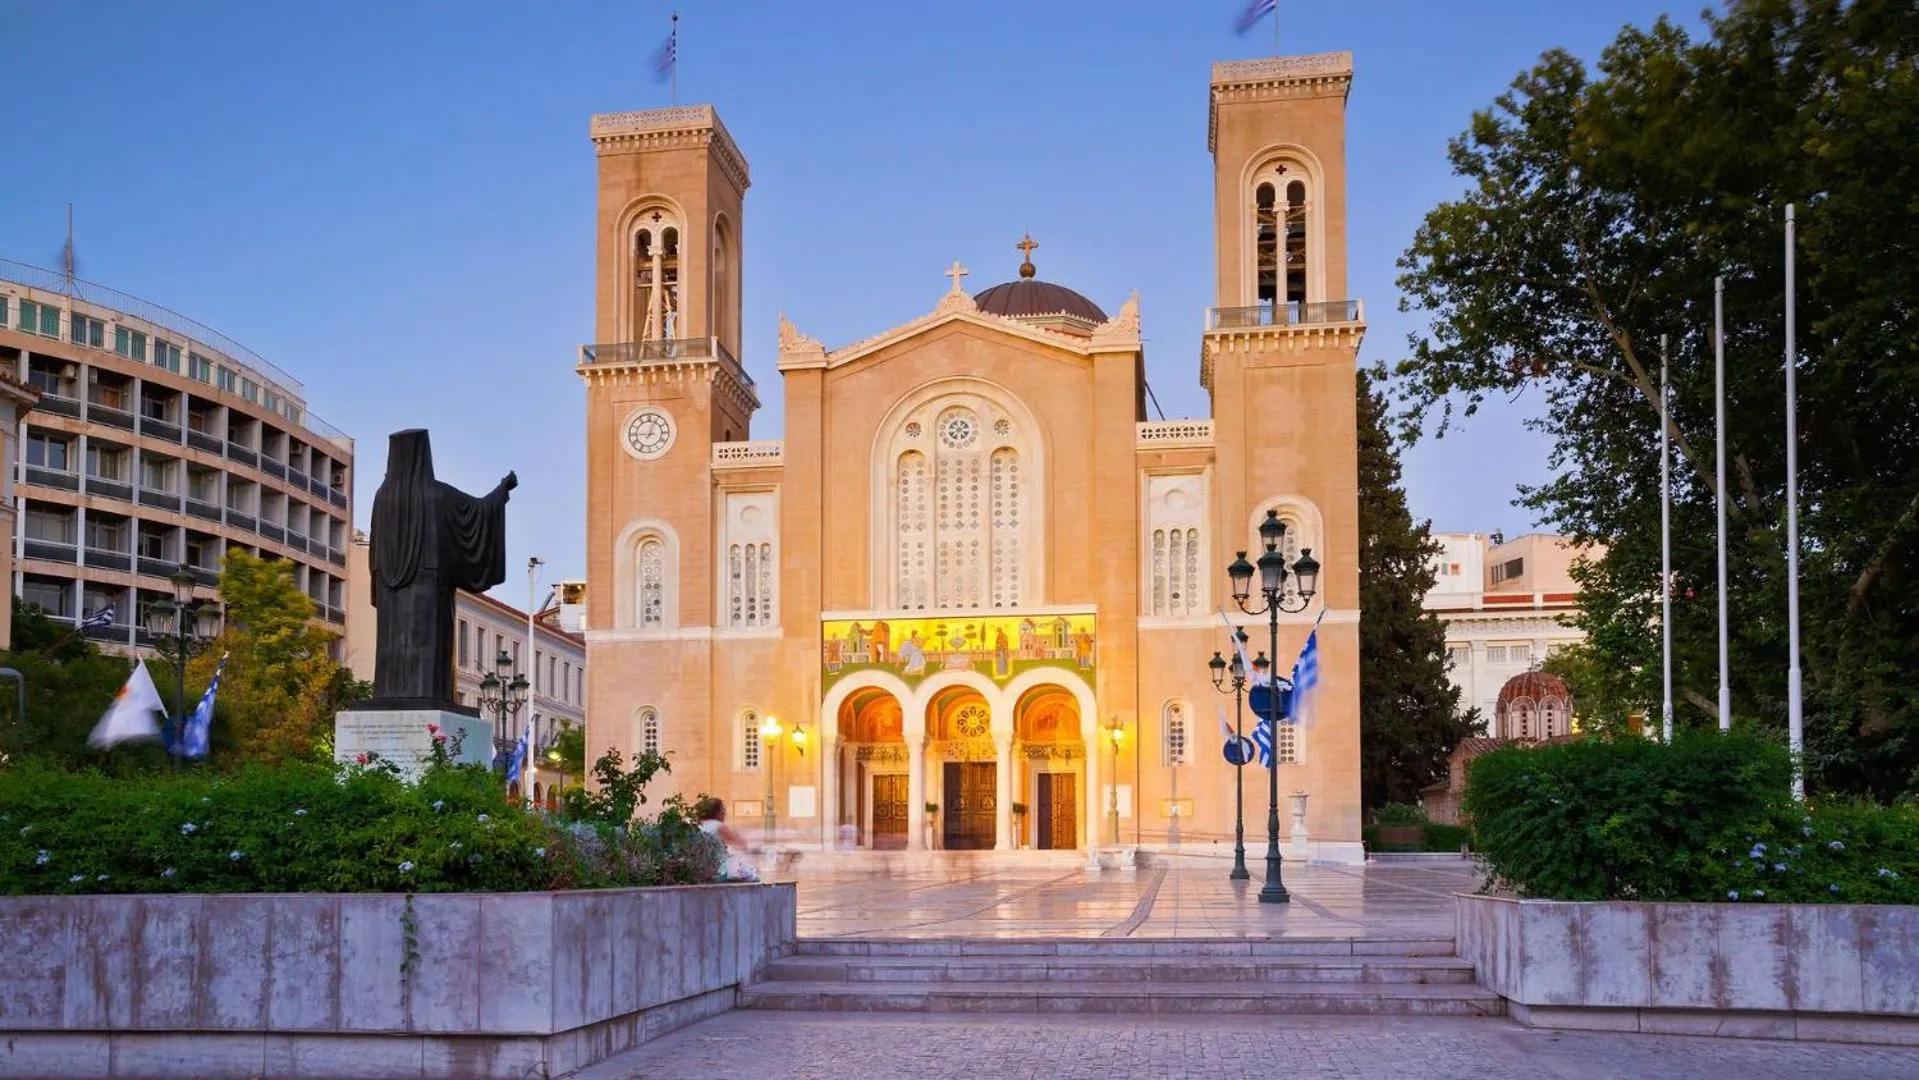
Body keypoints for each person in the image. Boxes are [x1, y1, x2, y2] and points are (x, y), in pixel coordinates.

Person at [695, 797, 761, 882]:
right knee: (751, 873)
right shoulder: (717, 825)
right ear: (718, 812)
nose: (725, 813)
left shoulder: (698, 825)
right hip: (718, 869)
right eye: (723, 809)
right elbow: (741, 845)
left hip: (702, 867)